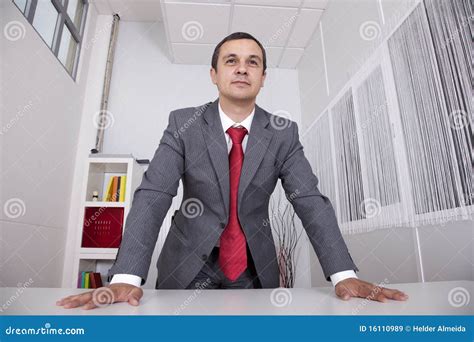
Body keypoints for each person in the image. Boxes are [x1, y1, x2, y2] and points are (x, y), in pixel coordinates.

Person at [57, 32, 408, 310]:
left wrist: (342, 274)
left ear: (263, 77)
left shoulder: (282, 132)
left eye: (252, 62)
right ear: (214, 74)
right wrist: (128, 277)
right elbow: (153, 196)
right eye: (231, 61)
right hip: (187, 264)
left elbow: (310, 201)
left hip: (253, 268)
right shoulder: (184, 124)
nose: (242, 68)